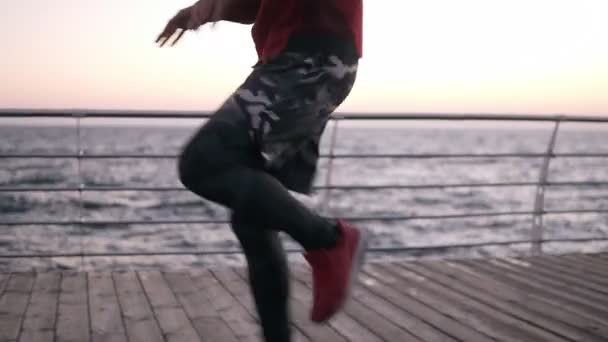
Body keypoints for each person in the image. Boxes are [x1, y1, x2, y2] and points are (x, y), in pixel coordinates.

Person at [156, 1, 368, 341]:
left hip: (311, 56)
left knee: (201, 162)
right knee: (252, 217)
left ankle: (329, 240)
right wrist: (209, 10)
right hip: (297, 57)